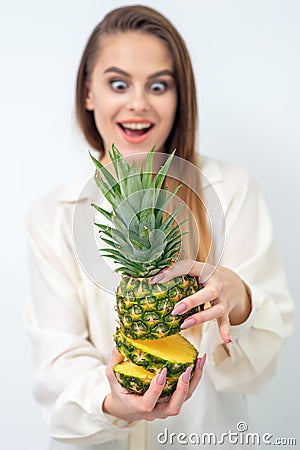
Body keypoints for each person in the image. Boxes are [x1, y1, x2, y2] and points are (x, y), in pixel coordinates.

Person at [26, 5, 294, 450]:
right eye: (118, 83)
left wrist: (241, 298)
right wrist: (111, 402)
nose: (138, 103)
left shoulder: (230, 190)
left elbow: (262, 367)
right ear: (88, 93)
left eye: (158, 85)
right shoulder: (53, 214)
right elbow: (56, 367)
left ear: (179, 96)